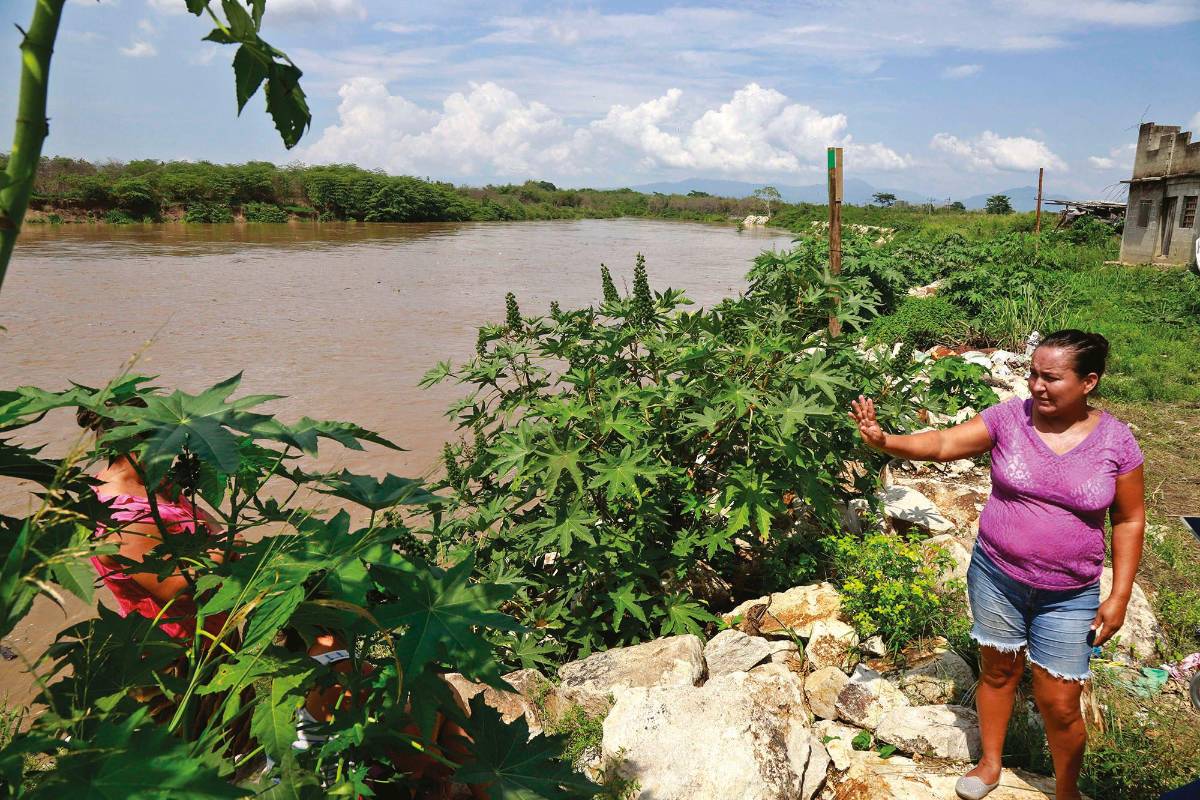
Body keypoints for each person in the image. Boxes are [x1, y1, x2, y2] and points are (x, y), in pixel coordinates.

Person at [849, 330, 1145, 800]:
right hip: (996, 577)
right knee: (998, 672)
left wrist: (1121, 594)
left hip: (1069, 594)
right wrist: (887, 441)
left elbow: (1128, 519)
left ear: (1088, 382)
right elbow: (944, 443)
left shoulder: (1116, 442)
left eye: (1051, 377)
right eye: (1033, 374)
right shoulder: (1011, 418)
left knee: (1060, 701)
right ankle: (990, 763)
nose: (1036, 386)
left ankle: (1066, 790)